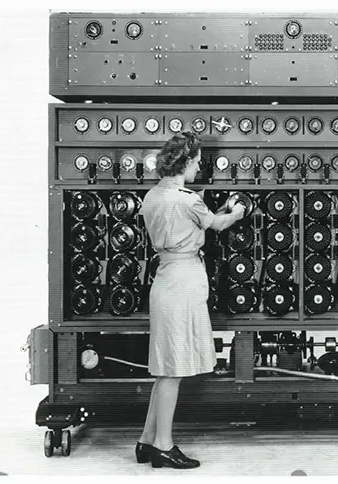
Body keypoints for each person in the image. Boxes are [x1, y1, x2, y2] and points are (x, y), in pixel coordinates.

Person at [135, 132, 245, 469]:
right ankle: (163, 447)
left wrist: (214, 210)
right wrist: (237, 211)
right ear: (186, 162)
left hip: (165, 278)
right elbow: (218, 224)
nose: (199, 168)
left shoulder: (153, 196)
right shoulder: (188, 199)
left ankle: (146, 441)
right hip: (184, 281)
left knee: (165, 367)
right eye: (197, 162)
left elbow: (187, 219)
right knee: (173, 369)